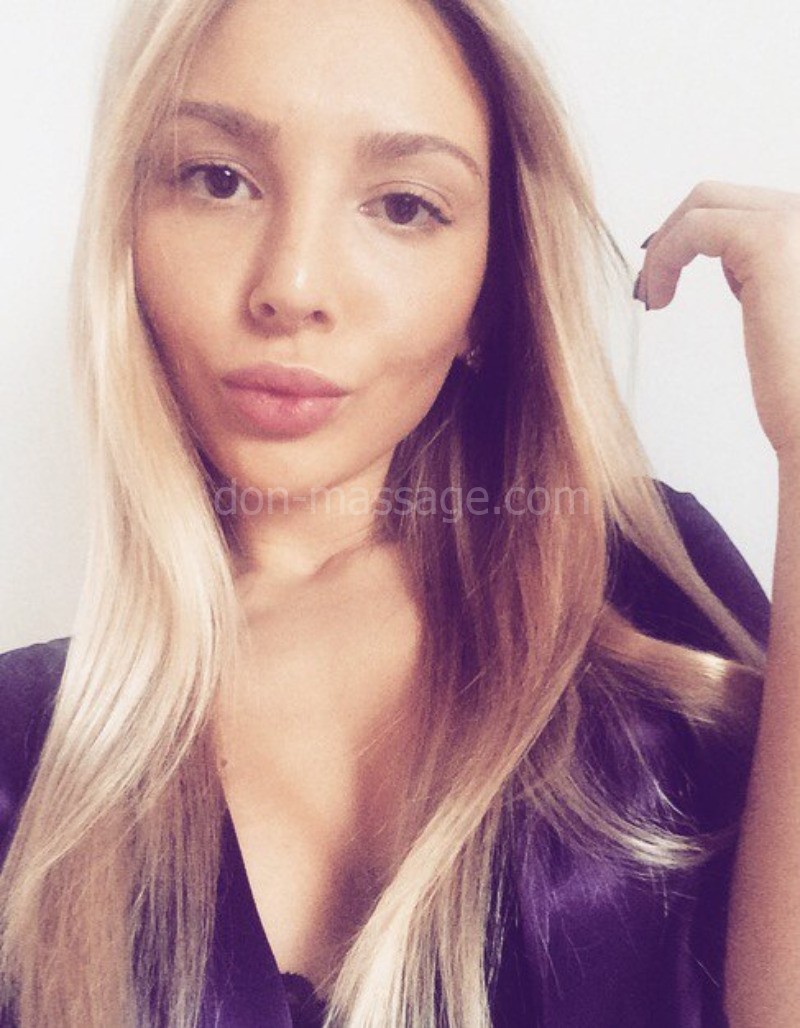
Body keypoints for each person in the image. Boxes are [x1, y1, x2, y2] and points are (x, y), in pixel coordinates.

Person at [0, 0, 797, 1025]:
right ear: (126, 231)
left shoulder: (641, 584)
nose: (292, 285)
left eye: (405, 205)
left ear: (489, 294)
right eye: (218, 180)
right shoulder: (23, 752)